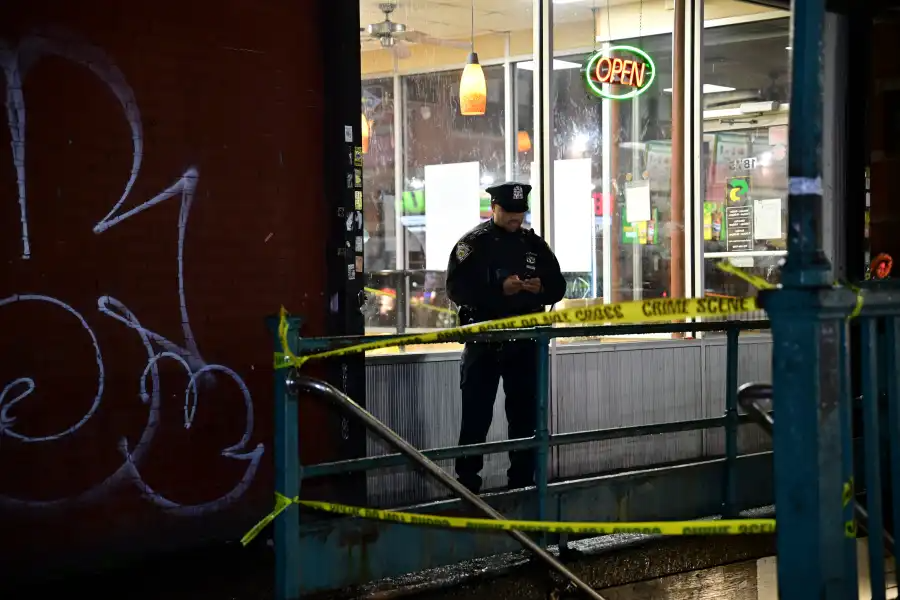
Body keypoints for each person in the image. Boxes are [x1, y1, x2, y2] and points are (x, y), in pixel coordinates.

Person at [445, 181, 567, 494]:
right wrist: (499, 290)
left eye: (520, 213)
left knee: (524, 418)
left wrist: (540, 288)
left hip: (524, 344)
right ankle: (467, 486)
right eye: (510, 213)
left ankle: (523, 486)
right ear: (494, 209)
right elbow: (457, 289)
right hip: (484, 341)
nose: (516, 219)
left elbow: (558, 286)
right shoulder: (473, 245)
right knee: (475, 417)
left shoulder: (533, 245)